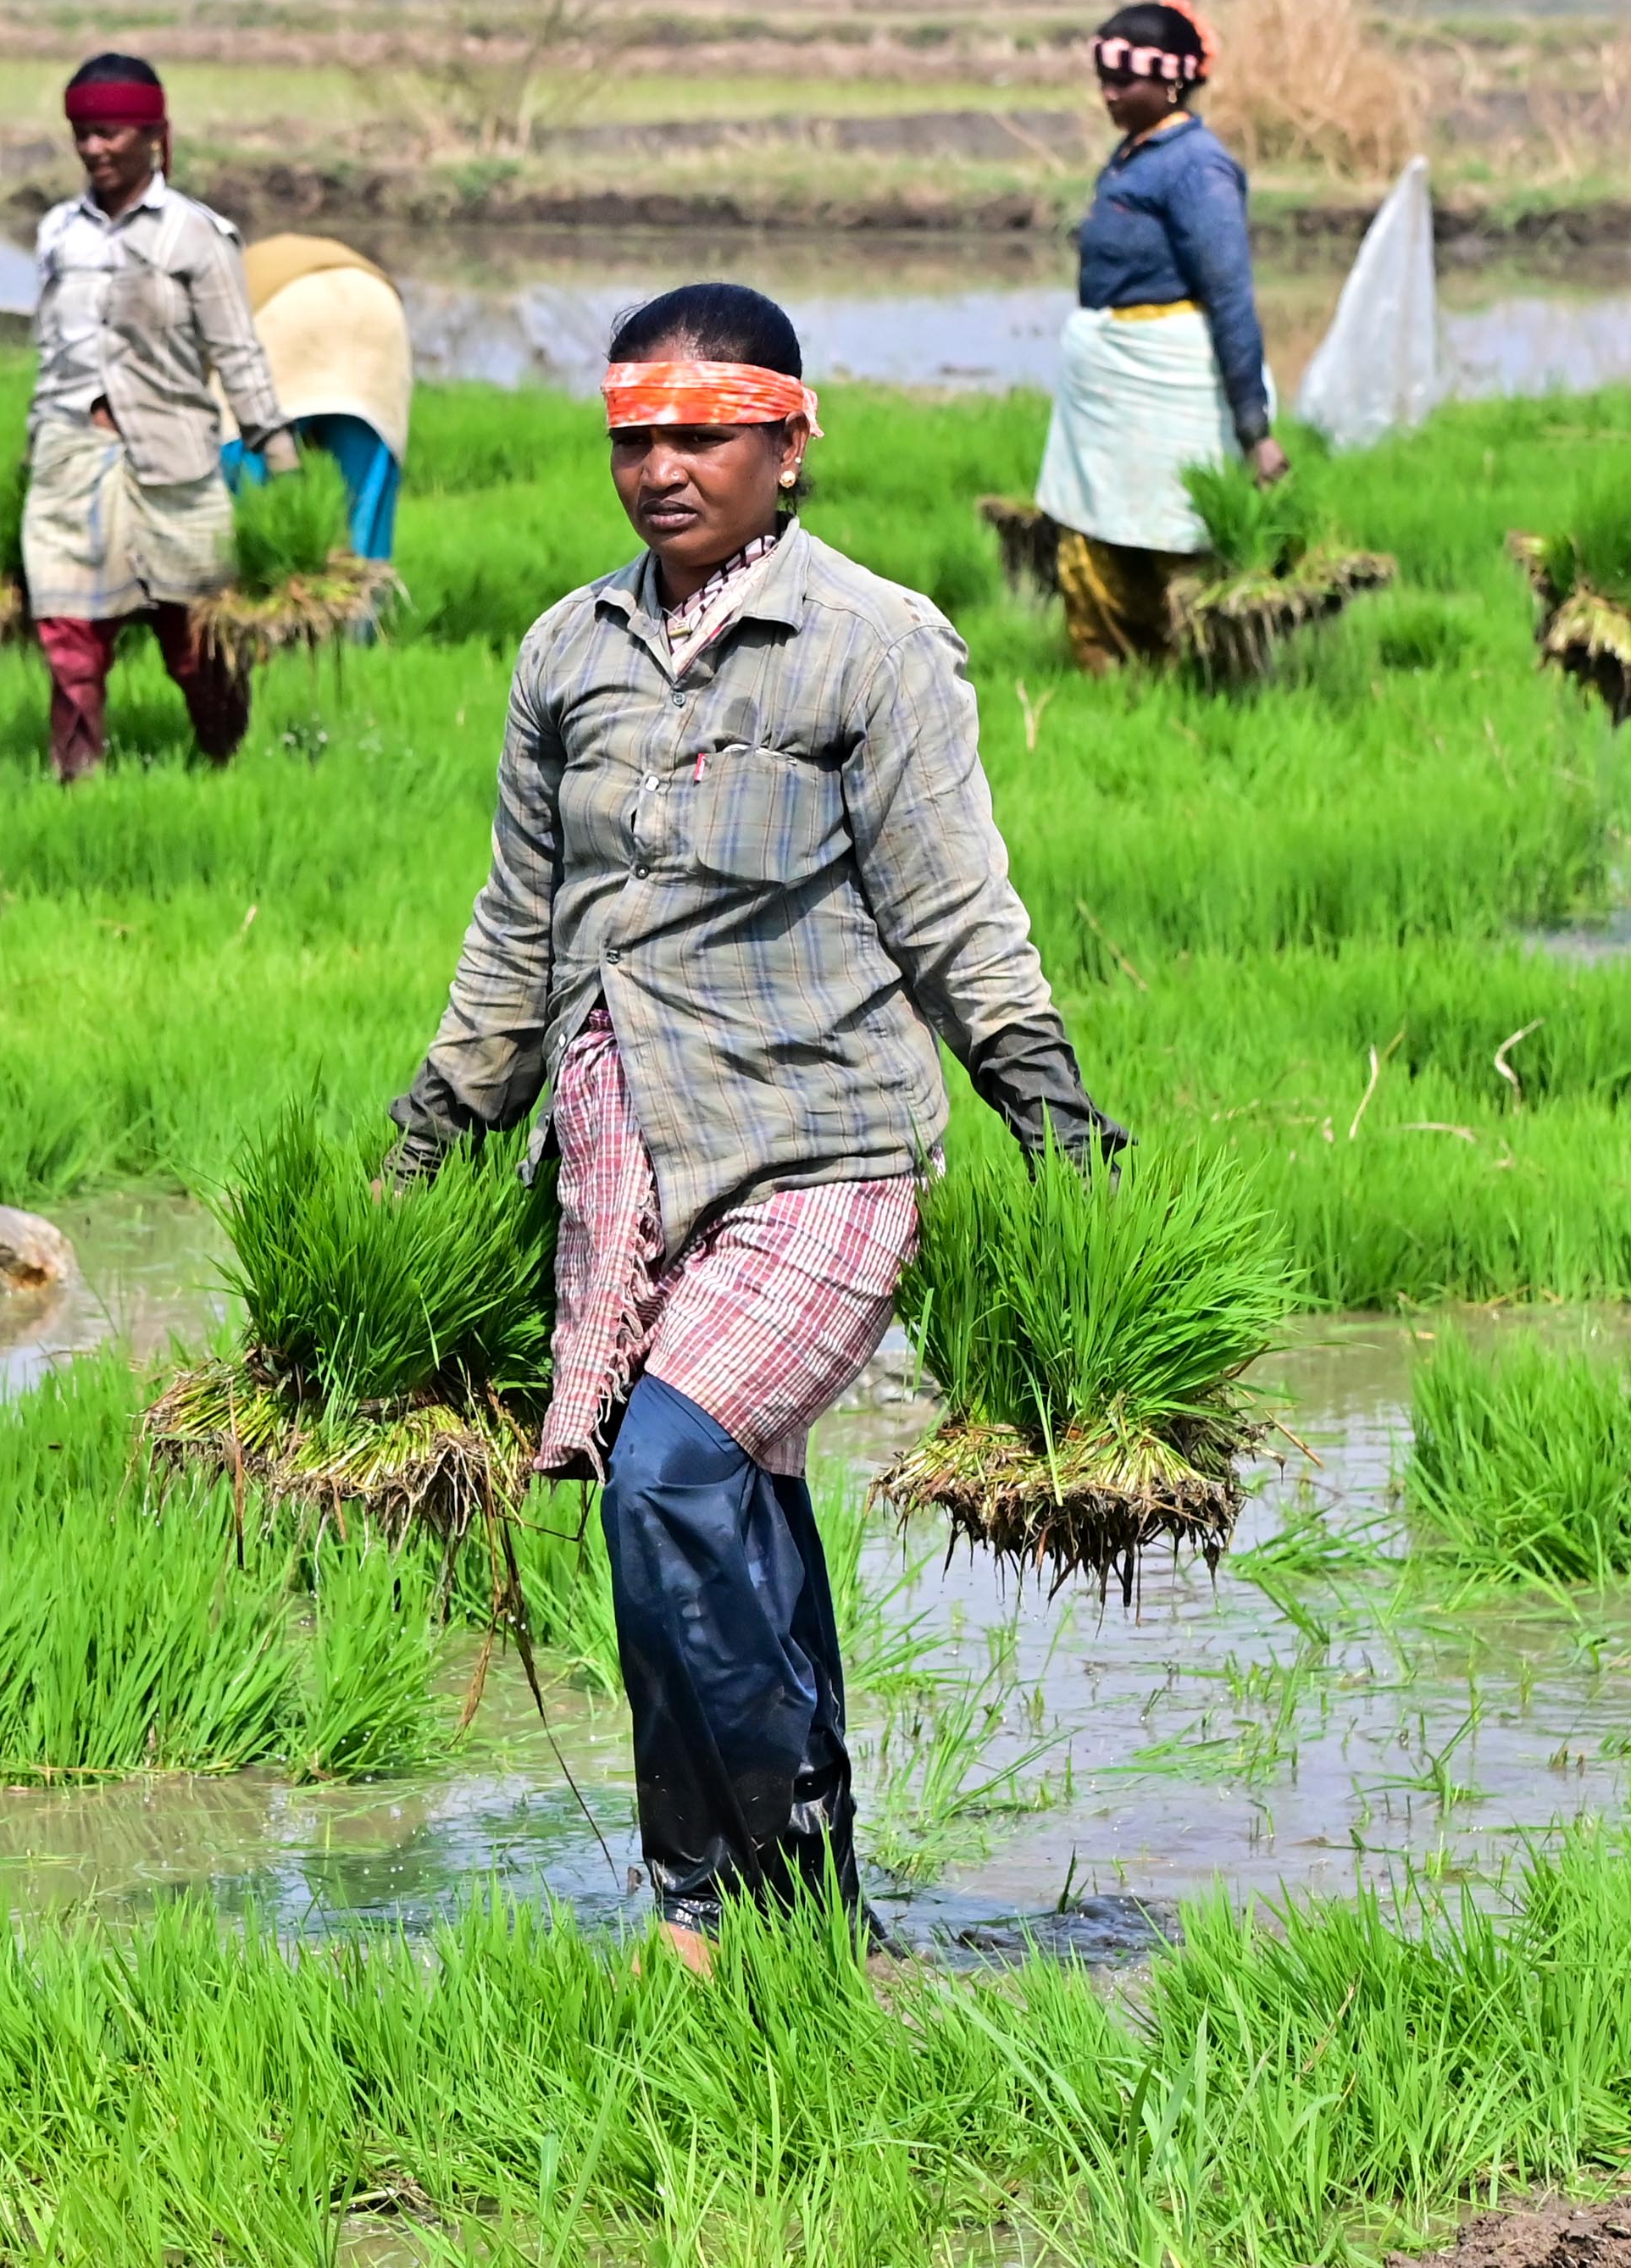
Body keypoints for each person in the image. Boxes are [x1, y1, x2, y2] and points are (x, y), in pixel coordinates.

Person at [380, 283, 1123, 1967]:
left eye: (701, 436)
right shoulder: (566, 651)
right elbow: (519, 922)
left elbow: (952, 905)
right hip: (618, 1156)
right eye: (633, 437)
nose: (660, 469)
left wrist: (1048, 1101)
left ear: (789, 448)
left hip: (823, 1150)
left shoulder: (871, 643)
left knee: (673, 1473)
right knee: (721, 1519)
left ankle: (742, 1893)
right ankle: (775, 1892)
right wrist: (433, 1120)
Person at [24, 53, 297, 782]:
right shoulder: (59, 233)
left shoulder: (196, 235)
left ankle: (225, 765)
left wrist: (284, 466)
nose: (93, 148)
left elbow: (239, 354)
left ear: (152, 135)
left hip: (173, 465)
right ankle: (75, 785)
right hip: (69, 462)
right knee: (70, 637)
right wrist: (34, 452)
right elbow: (48, 357)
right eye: (82, 133)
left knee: (195, 641)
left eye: (109, 132)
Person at [1031, 0, 1284, 675]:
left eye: (1125, 81)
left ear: (1171, 82)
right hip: (1110, 390)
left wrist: (1254, 430)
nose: (1109, 94)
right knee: (1097, 525)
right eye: (1103, 80)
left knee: (1172, 527)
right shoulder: (1134, 155)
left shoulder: (1197, 167)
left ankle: (1195, 670)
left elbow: (1230, 294)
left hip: (1163, 385)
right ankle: (1110, 672)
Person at [241, 230, 410, 560]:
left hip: (279, 314)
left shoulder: (219, 269)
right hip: (376, 306)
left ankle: (256, 587)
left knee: (249, 490)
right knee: (368, 499)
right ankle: (361, 602)